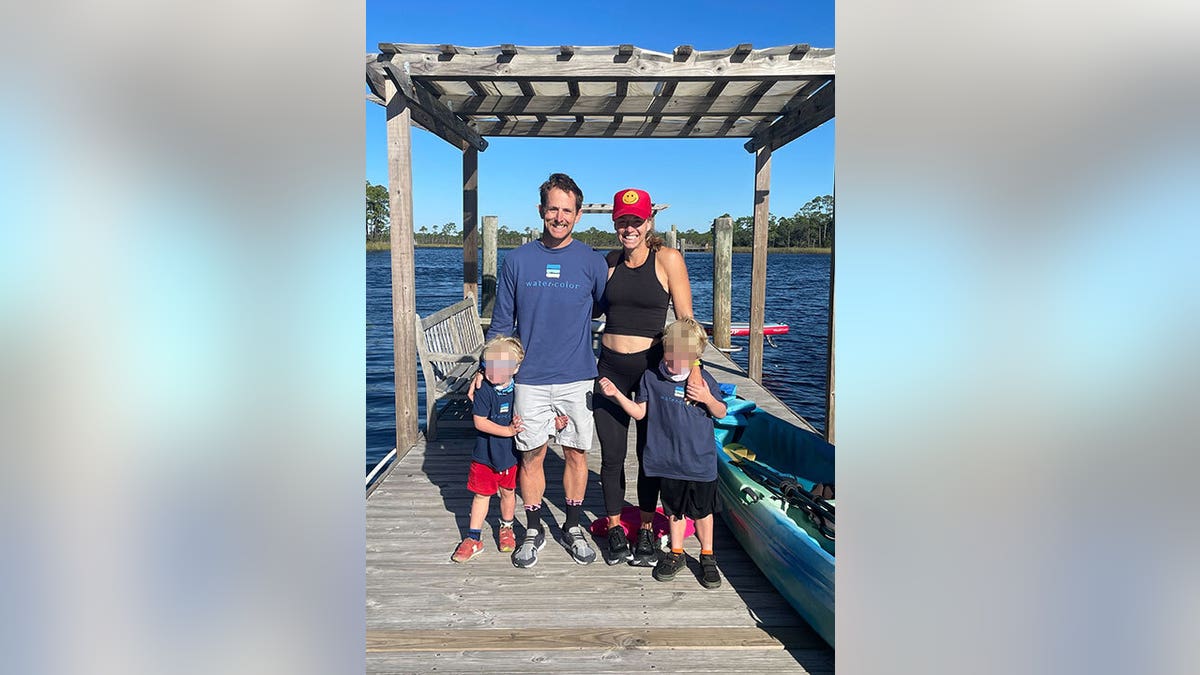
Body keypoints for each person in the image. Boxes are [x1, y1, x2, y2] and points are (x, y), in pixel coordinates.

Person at [481, 172, 609, 568]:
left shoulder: (592, 261)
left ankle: (573, 526)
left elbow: (607, 310)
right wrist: (488, 371)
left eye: (567, 210)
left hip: (577, 375)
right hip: (530, 378)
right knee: (531, 454)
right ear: (541, 210)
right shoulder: (517, 260)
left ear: (579, 214)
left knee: (576, 454)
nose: (559, 216)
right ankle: (533, 528)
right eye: (552, 208)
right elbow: (502, 324)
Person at [592, 187, 705, 567]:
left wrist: (696, 372)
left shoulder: (668, 259)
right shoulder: (607, 262)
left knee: (648, 456)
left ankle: (643, 528)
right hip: (608, 367)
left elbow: (687, 322)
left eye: (636, 221)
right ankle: (614, 528)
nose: (629, 227)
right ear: (615, 224)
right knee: (611, 456)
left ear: (648, 222)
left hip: (651, 371)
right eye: (622, 221)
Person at [598, 317, 728, 588]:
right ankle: (676, 552)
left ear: (694, 357)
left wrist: (707, 398)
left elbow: (721, 412)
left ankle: (707, 555)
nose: (673, 362)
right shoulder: (652, 377)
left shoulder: (703, 380)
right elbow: (640, 412)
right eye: (670, 355)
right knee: (674, 511)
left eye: (681, 358)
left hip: (699, 461)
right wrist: (617, 395)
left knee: (703, 512)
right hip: (668, 462)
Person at [451, 336, 526, 563]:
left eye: (501, 366)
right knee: (481, 495)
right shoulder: (484, 389)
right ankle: (473, 538)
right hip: (484, 456)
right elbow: (480, 422)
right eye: (488, 365)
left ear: (515, 369)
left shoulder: (521, 389)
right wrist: (509, 431)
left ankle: (507, 527)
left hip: (510, 456)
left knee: (508, 492)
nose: (493, 371)